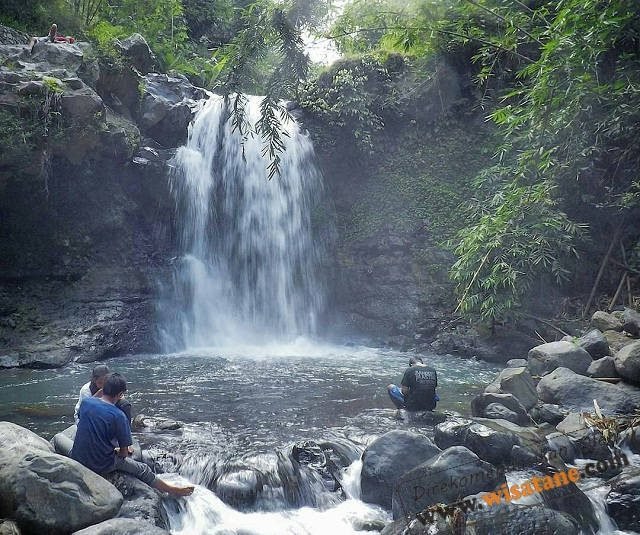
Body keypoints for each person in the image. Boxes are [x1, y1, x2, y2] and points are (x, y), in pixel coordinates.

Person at [71, 373, 194, 497]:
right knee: (143, 469)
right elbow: (124, 454)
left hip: (77, 457)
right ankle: (172, 490)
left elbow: (85, 417)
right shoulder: (118, 415)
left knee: (60, 440)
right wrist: (117, 450)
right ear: (120, 395)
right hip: (101, 464)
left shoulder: (86, 402)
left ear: (103, 389)